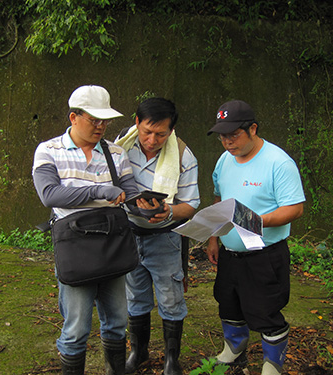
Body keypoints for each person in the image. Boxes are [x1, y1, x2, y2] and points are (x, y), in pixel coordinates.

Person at [32, 85, 146, 375]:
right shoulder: (48, 150)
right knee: (76, 327)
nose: (101, 126)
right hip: (75, 247)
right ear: (73, 117)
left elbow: (129, 195)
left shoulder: (116, 153)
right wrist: (100, 191)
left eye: (104, 121)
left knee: (118, 320)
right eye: (94, 120)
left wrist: (148, 206)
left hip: (112, 243)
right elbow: (50, 195)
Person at [206, 100, 305, 375]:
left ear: (252, 129)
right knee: (228, 302)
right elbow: (219, 197)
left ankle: (273, 363)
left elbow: (295, 208)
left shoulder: (278, 162)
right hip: (230, 252)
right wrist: (214, 238)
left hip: (264, 253)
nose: (227, 142)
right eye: (222, 136)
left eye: (234, 135)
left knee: (266, 309)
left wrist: (259, 221)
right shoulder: (225, 160)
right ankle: (234, 349)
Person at [114, 97, 200, 375]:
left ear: (171, 130)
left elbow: (191, 205)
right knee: (135, 296)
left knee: (171, 298)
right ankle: (138, 352)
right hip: (129, 235)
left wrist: (169, 212)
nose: (152, 140)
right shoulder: (120, 146)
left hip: (164, 237)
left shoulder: (184, 156)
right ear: (136, 122)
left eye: (161, 134)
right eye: (147, 131)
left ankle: (171, 360)